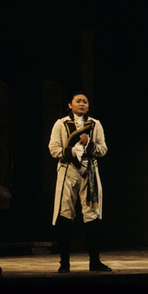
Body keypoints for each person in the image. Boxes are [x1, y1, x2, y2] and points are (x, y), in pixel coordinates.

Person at [48, 91, 112, 273]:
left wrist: (89, 144)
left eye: (85, 101)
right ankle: (64, 263)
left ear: (88, 105)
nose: (82, 104)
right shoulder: (61, 124)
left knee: (92, 214)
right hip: (68, 172)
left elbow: (103, 149)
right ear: (70, 105)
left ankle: (95, 261)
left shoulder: (95, 124)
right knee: (65, 214)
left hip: (90, 172)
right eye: (78, 101)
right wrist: (73, 150)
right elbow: (54, 149)